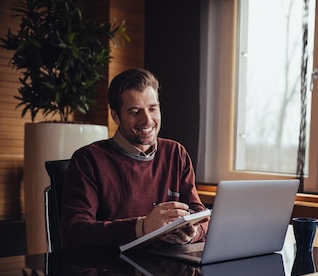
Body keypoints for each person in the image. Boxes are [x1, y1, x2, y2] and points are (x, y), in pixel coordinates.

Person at [61, 68, 208, 251]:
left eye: (152, 109)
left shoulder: (176, 153)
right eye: (135, 111)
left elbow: (201, 216)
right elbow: (74, 232)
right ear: (116, 116)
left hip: (165, 269)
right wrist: (142, 227)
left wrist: (193, 234)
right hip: (112, 270)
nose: (147, 120)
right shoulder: (88, 160)